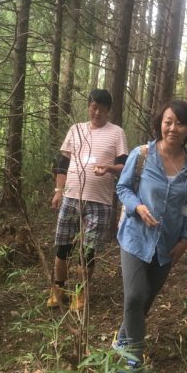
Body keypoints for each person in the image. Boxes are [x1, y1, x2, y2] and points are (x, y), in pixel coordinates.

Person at [113, 100, 187, 373]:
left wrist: (186, 238)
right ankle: (133, 359)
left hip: (166, 245)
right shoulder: (141, 155)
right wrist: (137, 207)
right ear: (159, 124)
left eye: (180, 123)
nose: (173, 128)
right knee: (135, 296)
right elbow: (122, 188)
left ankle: (123, 337)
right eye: (168, 121)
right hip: (135, 238)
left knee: (146, 299)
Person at [48, 89, 128, 310]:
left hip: (99, 202)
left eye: (102, 109)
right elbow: (63, 163)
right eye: (94, 107)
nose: (97, 112)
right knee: (63, 246)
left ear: (108, 110)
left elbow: (125, 165)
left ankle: (80, 293)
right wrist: (58, 190)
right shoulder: (76, 130)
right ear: (89, 106)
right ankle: (58, 289)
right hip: (71, 197)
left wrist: (109, 168)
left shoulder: (116, 133)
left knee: (88, 251)